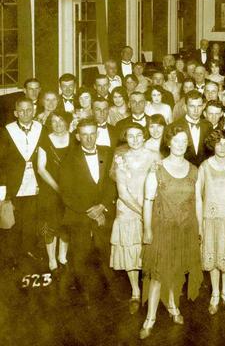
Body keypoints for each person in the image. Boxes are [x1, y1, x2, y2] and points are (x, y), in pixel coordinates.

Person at [140, 126, 203, 339]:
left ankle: (174, 307)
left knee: (176, 272)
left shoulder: (194, 170)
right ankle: (150, 318)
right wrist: (147, 230)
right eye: (175, 140)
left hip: (185, 229)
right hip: (162, 229)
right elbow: (147, 201)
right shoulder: (156, 169)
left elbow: (198, 203)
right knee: (158, 275)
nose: (180, 144)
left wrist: (199, 229)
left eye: (183, 140)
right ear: (168, 142)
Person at [58, 119, 115, 303]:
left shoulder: (108, 152)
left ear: (97, 134)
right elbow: (66, 192)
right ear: (77, 136)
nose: (89, 139)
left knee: (106, 251)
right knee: (80, 255)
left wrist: (102, 207)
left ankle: (111, 293)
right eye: (84, 135)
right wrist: (89, 211)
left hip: (104, 212)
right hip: (79, 214)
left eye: (92, 134)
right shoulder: (68, 158)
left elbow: (113, 183)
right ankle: (84, 294)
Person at [110, 123, 160, 314]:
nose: (136, 139)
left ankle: (151, 289)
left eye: (139, 135)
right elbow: (122, 193)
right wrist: (142, 212)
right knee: (130, 250)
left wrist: (150, 211)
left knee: (150, 250)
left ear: (144, 136)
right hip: (129, 211)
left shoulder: (154, 155)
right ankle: (135, 292)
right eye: (131, 136)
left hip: (150, 206)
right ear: (125, 138)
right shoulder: (120, 158)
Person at [196, 129, 225, 314]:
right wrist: (200, 224)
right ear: (212, 144)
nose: (222, 147)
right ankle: (214, 294)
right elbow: (198, 196)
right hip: (211, 219)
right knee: (213, 257)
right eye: (218, 143)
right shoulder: (204, 166)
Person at [0, 97, 44, 266]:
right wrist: (2, 189)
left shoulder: (41, 129)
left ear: (33, 111)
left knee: (31, 220)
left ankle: (29, 252)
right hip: (13, 184)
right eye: (22, 110)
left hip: (35, 183)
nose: (26, 113)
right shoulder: (6, 131)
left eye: (29, 110)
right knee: (12, 222)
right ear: (15, 113)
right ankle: (12, 257)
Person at [36, 110, 72, 272]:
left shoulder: (74, 139)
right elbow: (41, 168)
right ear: (50, 124)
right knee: (50, 224)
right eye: (54, 122)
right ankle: (52, 260)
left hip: (71, 190)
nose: (58, 125)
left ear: (67, 122)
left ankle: (62, 256)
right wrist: (58, 188)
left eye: (61, 121)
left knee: (66, 223)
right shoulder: (45, 140)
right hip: (50, 189)